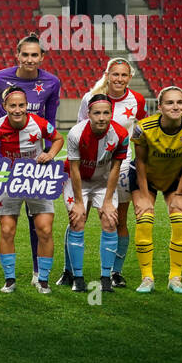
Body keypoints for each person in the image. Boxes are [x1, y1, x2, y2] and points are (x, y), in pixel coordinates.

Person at [0, 33, 62, 287]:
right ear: (17, 55)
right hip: (2, 160)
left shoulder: (51, 82)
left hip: (35, 162)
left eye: (34, 55)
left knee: (35, 217)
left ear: (42, 57)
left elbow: (51, 122)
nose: (29, 59)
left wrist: (47, 157)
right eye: (25, 54)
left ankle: (38, 273)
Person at [69, 57, 146, 287]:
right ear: (107, 74)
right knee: (78, 216)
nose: (119, 79)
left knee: (117, 219)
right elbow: (81, 131)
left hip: (121, 166)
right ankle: (70, 270)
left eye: (124, 75)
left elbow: (141, 132)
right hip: (89, 167)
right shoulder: (90, 97)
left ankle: (115, 272)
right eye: (115, 74)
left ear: (129, 77)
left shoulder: (137, 99)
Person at [129, 86, 182, 293]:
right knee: (145, 220)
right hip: (145, 177)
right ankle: (147, 278)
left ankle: (175, 278)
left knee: (181, 220)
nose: (176, 106)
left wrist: (180, 192)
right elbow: (140, 163)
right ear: (160, 106)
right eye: (170, 103)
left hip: (175, 178)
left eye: (179, 102)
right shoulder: (143, 128)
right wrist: (145, 196)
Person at [0, 87, 63, 294]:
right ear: (5, 107)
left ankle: (44, 280)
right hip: (9, 181)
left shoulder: (38, 124)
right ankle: (10, 280)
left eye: (21, 105)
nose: (18, 109)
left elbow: (58, 139)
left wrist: (49, 155)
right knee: (6, 230)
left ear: (26, 106)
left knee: (45, 230)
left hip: (37, 179)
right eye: (13, 105)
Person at [61, 94, 128, 294]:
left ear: (111, 113)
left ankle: (105, 278)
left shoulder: (121, 134)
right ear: (88, 114)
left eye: (106, 112)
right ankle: (77, 277)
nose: (101, 117)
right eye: (96, 113)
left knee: (110, 220)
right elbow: (73, 169)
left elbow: (116, 169)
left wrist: (108, 201)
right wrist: (79, 203)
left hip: (102, 182)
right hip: (77, 181)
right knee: (78, 218)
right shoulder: (76, 133)